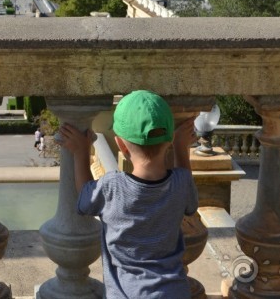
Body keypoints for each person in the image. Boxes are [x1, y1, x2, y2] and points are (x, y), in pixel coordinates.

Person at [59, 90, 198, 298]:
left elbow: (85, 199)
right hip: (174, 291)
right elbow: (191, 204)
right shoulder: (181, 182)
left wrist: (81, 152)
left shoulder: (112, 186)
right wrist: (181, 147)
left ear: (121, 145)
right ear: (169, 140)